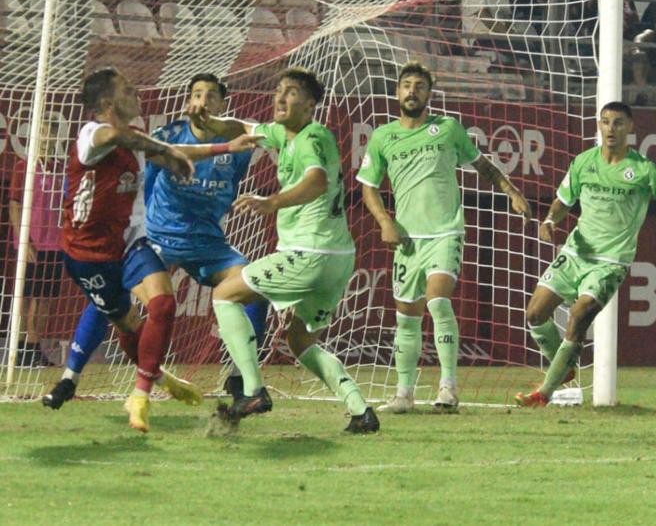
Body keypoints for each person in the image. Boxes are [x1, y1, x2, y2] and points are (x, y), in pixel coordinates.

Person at [43, 74, 269, 409]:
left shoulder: (237, 136)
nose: (202, 102)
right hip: (157, 237)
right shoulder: (152, 135)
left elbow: (267, 133)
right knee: (112, 301)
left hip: (207, 242)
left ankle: (241, 380)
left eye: (210, 96)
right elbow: (145, 158)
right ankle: (70, 377)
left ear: (224, 103)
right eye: (196, 94)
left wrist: (222, 136)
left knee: (255, 286)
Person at [194, 68, 380, 433]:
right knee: (299, 337)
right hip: (338, 258)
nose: (280, 98)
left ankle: (252, 390)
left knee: (225, 294)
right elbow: (244, 128)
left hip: (309, 252)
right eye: (279, 91)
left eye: (291, 93)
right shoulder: (283, 134)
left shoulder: (313, 137)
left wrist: (273, 202)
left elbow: (317, 181)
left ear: (310, 106)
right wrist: (212, 122)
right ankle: (361, 411)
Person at [360, 61, 532, 413]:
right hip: (407, 239)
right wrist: (385, 222)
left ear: (429, 94)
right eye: (406, 85)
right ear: (397, 92)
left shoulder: (448, 128)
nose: (412, 91)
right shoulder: (382, 137)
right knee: (407, 319)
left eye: (419, 86)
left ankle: (448, 387)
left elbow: (482, 165)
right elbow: (369, 188)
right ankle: (404, 394)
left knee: (438, 302)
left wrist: (511, 190)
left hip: (445, 232)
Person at [516, 102, 656, 407]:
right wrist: (549, 220)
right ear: (598, 126)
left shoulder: (643, 169)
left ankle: (544, 393)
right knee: (535, 314)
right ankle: (564, 367)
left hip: (611, 261)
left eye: (617, 123)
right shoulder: (584, 162)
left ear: (630, 128)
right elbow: (563, 201)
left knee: (579, 315)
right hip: (575, 253)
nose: (610, 129)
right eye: (605, 122)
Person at [7, 129, 62, 367]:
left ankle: (33, 347)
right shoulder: (24, 167)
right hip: (33, 242)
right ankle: (23, 348)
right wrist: (24, 240)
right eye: (42, 134)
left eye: (50, 134)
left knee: (45, 299)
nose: (47, 139)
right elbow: (14, 205)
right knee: (29, 297)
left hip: (56, 242)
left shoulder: (60, 169)